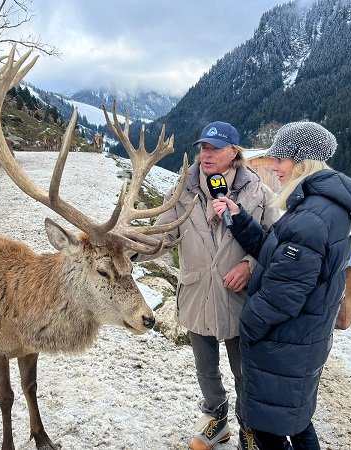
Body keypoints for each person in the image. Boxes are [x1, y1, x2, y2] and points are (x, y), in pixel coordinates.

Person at [211, 121, 351, 449]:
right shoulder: (319, 207)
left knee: (270, 430)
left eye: (281, 160)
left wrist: (250, 325)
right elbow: (277, 255)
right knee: (295, 422)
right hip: (300, 343)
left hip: (282, 346)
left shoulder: (311, 218)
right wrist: (238, 217)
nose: (274, 167)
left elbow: (283, 296)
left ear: (303, 161)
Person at [136, 121, 278, 450]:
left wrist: (249, 265)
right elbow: (162, 234)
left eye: (214, 148)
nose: (206, 154)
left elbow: (276, 242)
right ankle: (216, 418)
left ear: (234, 153)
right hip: (197, 292)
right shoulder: (182, 190)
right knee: (205, 368)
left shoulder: (258, 192)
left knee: (244, 372)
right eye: (203, 147)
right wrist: (121, 250)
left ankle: (249, 426)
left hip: (239, 298)